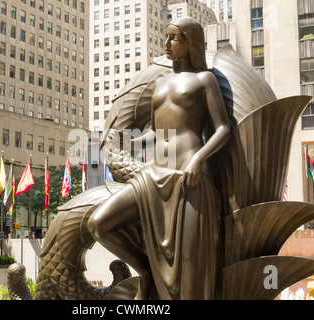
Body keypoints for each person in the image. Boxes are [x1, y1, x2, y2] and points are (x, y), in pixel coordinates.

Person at [88, 17, 231, 300]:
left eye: (174, 38)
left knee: (189, 264)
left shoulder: (205, 79)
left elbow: (224, 128)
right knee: (98, 223)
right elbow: (159, 131)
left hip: (188, 178)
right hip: (152, 176)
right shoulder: (159, 84)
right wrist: (120, 144)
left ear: (190, 42)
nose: (166, 44)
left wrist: (199, 159)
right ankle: (146, 269)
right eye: (166, 38)